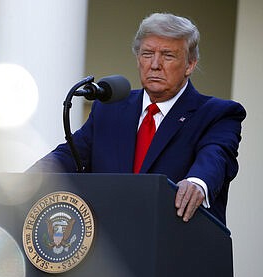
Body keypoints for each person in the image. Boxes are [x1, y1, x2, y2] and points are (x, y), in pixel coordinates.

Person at [30, 12, 246, 227]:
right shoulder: (110, 108)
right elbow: (70, 154)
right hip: (110, 245)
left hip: (172, 245)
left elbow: (216, 156)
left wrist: (197, 183)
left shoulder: (217, 114)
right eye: (147, 54)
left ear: (190, 65)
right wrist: (26, 179)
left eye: (168, 55)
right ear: (138, 59)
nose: (155, 64)